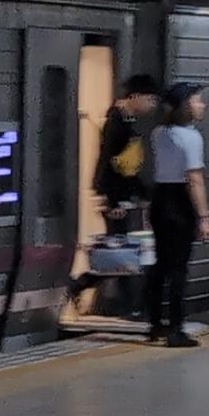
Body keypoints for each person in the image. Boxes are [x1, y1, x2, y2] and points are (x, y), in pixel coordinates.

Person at [80, 74, 161, 319]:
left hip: (121, 193)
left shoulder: (124, 118)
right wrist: (112, 199)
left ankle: (122, 302)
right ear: (134, 97)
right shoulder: (117, 121)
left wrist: (141, 193)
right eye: (149, 99)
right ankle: (87, 286)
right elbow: (110, 163)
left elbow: (125, 166)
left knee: (121, 248)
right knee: (121, 250)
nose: (152, 105)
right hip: (114, 195)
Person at [140, 82, 209, 347]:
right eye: (197, 101)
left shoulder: (159, 133)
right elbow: (194, 178)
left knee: (161, 264)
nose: (202, 105)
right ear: (186, 106)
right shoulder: (192, 137)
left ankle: (154, 324)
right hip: (180, 202)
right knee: (178, 269)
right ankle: (176, 330)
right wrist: (204, 217)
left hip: (160, 199)